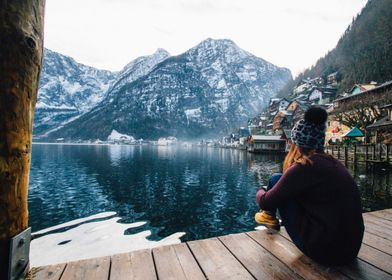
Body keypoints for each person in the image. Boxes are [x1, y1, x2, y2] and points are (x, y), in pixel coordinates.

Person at [255, 106, 364, 265]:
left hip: (325, 252)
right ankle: (269, 216)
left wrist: (261, 190)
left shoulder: (303, 167)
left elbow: (265, 201)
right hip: (351, 249)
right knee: (279, 179)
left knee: (276, 182)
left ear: (298, 143)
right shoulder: (333, 163)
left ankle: (268, 217)